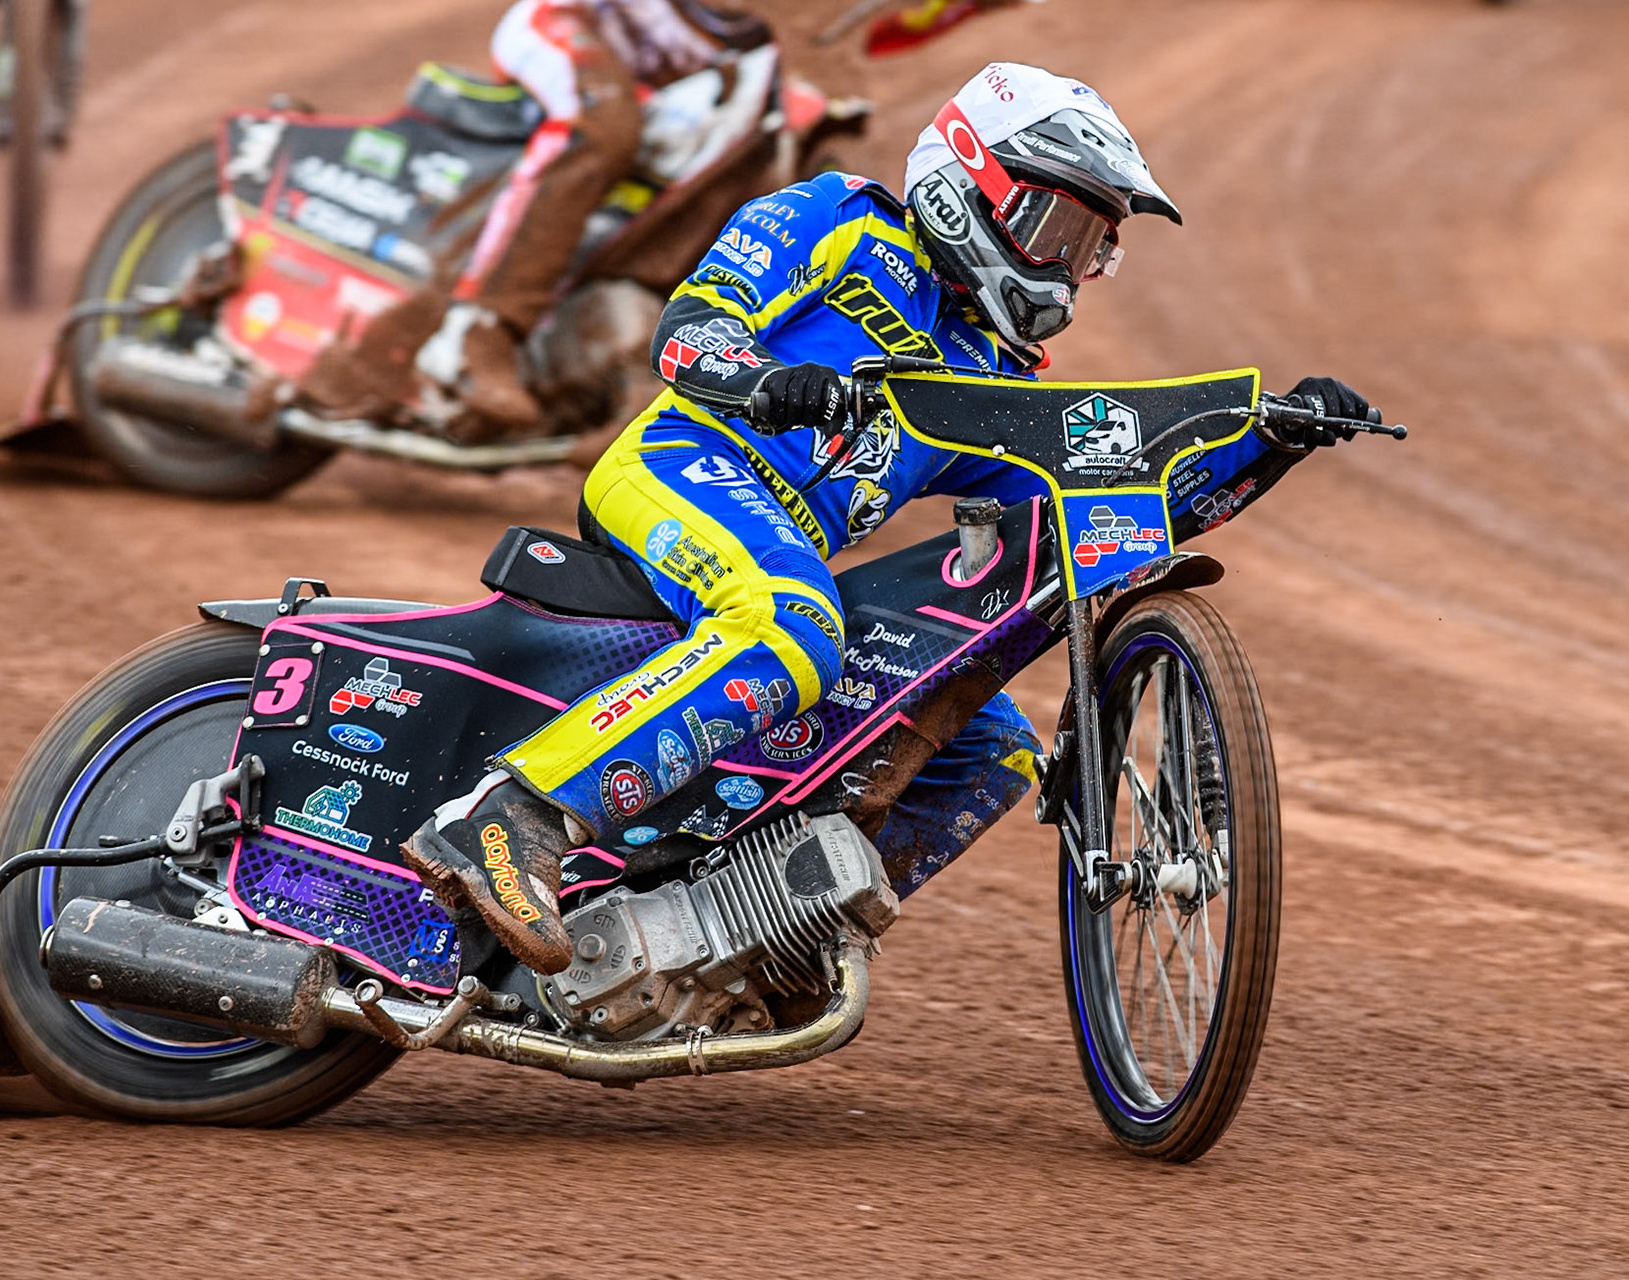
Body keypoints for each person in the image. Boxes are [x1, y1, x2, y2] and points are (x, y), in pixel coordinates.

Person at [404, 62, 1372, 975]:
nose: (1064, 265)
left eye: (1088, 245)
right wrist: (766, 379)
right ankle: (513, 816)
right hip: (680, 468)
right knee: (792, 623)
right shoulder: (840, 219)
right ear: (968, 182)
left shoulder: (993, 370)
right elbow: (688, 326)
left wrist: (1268, 442)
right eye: (1050, 224)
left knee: (987, 747)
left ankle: (750, 939)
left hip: (784, 543)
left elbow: (1081, 520)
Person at [305, 1, 761, 438]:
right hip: (563, 24)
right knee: (605, 125)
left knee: (696, 180)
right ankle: (479, 330)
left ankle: (629, 381)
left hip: (643, 78)